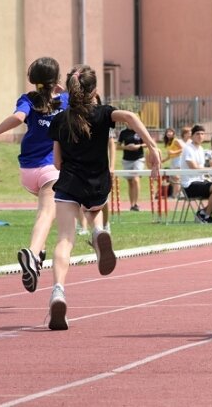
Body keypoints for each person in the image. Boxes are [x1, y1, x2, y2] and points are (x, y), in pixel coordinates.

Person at [46, 65, 160, 330]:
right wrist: (152, 147)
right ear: (95, 90)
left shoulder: (60, 120)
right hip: (97, 184)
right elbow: (131, 116)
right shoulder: (104, 113)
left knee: (64, 239)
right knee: (94, 210)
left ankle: (58, 291)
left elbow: (57, 162)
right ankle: (98, 233)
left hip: (69, 183)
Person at [0, 57, 68, 292]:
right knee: (47, 214)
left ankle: (39, 251)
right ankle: (33, 254)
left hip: (27, 169)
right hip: (51, 168)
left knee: (44, 213)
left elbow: (17, 118)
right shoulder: (65, 100)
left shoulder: (28, 99)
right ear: (56, 79)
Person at [181, 124, 212, 223]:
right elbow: (193, 166)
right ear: (192, 136)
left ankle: (202, 213)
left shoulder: (201, 149)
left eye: (202, 134)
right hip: (189, 184)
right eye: (197, 134)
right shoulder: (188, 148)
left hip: (200, 181)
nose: (200, 136)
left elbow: (201, 167)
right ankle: (206, 216)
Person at [117, 124, 146, 211]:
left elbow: (147, 143)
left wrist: (138, 146)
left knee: (136, 180)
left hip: (139, 159)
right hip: (127, 160)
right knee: (130, 182)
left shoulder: (140, 130)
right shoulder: (123, 132)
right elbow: (117, 146)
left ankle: (136, 204)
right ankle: (132, 204)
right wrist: (126, 147)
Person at [161, 127, 185, 198]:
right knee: (172, 178)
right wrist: (162, 160)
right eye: (167, 132)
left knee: (176, 177)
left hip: (178, 160)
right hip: (173, 160)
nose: (169, 133)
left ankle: (177, 194)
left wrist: (174, 152)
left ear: (173, 133)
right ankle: (177, 193)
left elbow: (183, 149)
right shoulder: (168, 142)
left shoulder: (175, 141)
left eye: (170, 132)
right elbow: (169, 155)